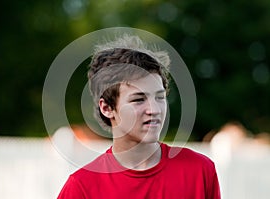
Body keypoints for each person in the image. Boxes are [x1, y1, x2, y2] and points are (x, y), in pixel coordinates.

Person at [57, 35, 221, 199]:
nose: (154, 109)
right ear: (107, 108)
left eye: (159, 97)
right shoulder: (81, 188)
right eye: (138, 99)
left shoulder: (200, 171)